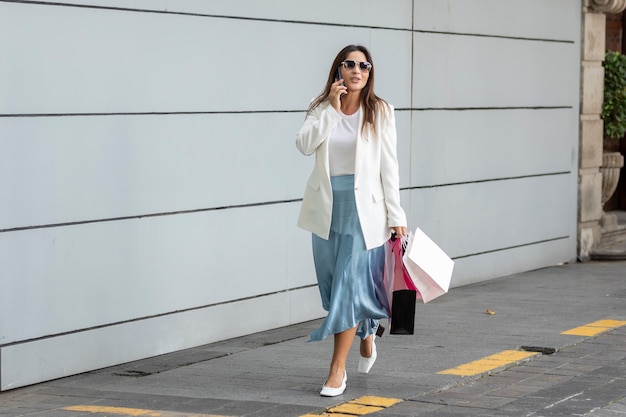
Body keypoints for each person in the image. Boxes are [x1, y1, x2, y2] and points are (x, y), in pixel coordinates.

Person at [295, 44, 407, 397]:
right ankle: (369, 329)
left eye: (364, 65)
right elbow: (304, 145)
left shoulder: (380, 111)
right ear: (338, 70)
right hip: (327, 209)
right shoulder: (319, 108)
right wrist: (331, 109)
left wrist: (396, 216)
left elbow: (390, 166)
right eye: (350, 64)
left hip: (366, 213)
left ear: (370, 73)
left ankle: (336, 370)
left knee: (347, 285)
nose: (357, 70)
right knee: (333, 289)